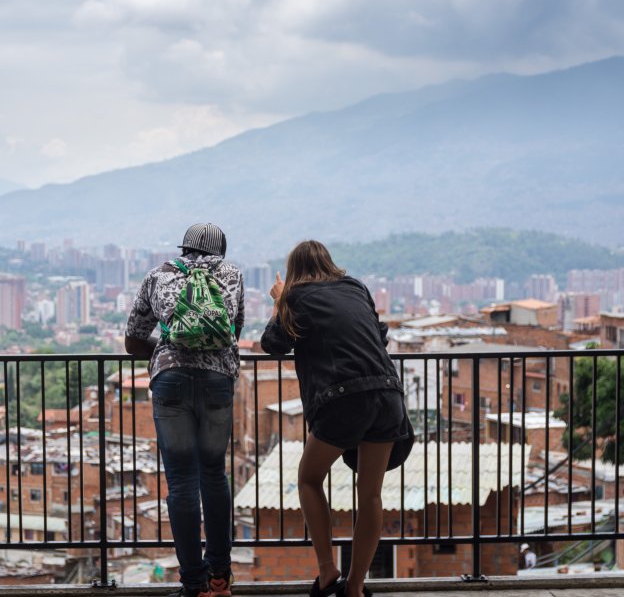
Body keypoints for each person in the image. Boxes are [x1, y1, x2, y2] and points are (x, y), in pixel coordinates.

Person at [260, 240, 412, 597]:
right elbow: (381, 335)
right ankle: (355, 587)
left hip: (343, 400)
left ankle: (328, 572)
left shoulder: (296, 298)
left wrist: (281, 300)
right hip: (388, 394)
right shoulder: (356, 287)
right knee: (370, 496)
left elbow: (272, 344)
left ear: (295, 270)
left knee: (310, 479)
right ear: (329, 263)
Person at [125, 223, 244, 597]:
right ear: (219, 252)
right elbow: (233, 333)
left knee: (180, 482)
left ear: (185, 248)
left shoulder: (158, 275)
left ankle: (193, 583)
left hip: (171, 381)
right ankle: (220, 578)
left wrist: (167, 351)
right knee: (214, 473)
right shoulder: (232, 274)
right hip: (217, 381)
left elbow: (132, 339)